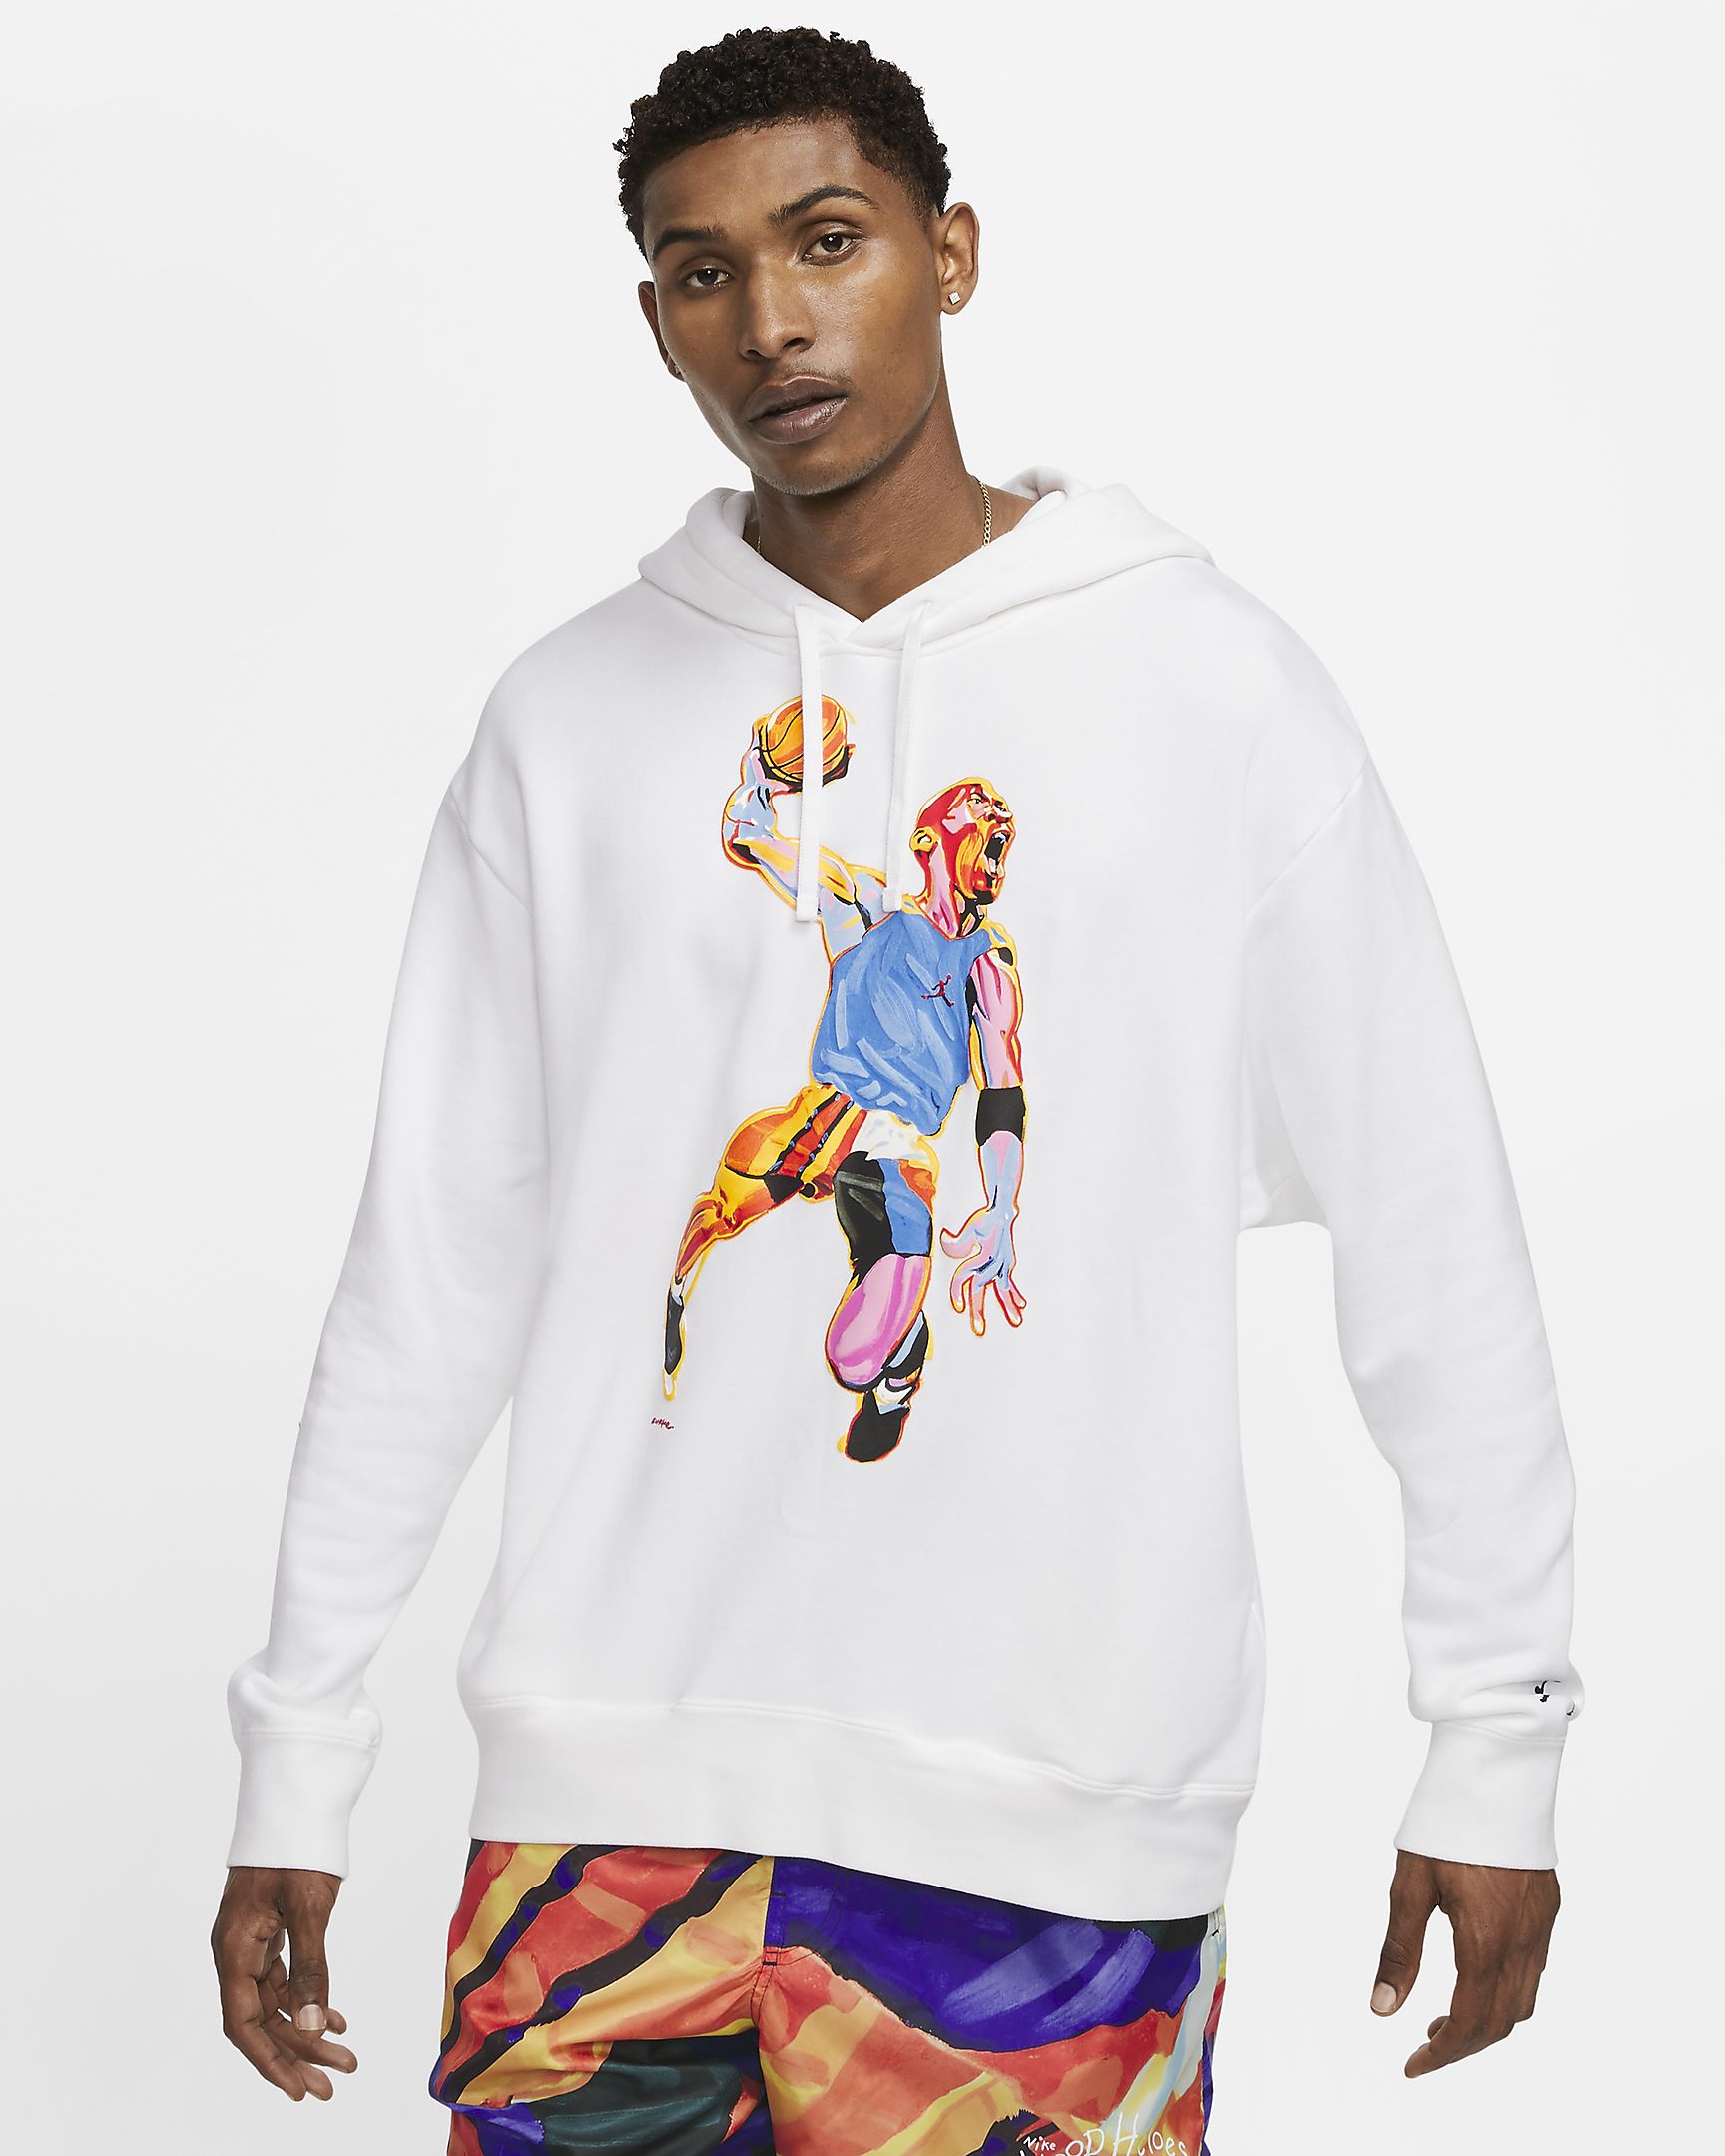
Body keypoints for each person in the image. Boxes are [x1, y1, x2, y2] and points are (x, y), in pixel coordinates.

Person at [209, 25, 1585, 2151]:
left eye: (828, 240)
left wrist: (1495, 1736)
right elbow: (434, 1266)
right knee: (746, 1216)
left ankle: (888, 1324)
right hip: (607, 1811)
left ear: (951, 254)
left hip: (1053, 1830)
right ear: (656, 318)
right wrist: (297, 1754)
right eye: (704, 272)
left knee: (893, 1228)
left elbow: (1432, 1227)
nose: (772, 319)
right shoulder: (565, 723)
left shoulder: (1213, 693)